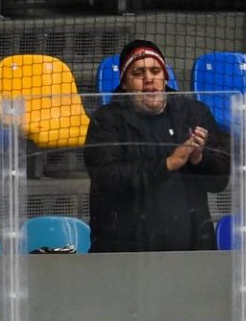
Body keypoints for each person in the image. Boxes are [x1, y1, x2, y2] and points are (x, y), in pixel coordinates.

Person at [82, 40, 228, 253]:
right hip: (125, 252)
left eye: (155, 71)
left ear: (165, 77)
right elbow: (106, 178)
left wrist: (200, 159)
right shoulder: (106, 120)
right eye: (138, 73)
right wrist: (167, 164)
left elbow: (220, 181)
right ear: (124, 83)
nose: (149, 78)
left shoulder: (194, 112)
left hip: (191, 251)